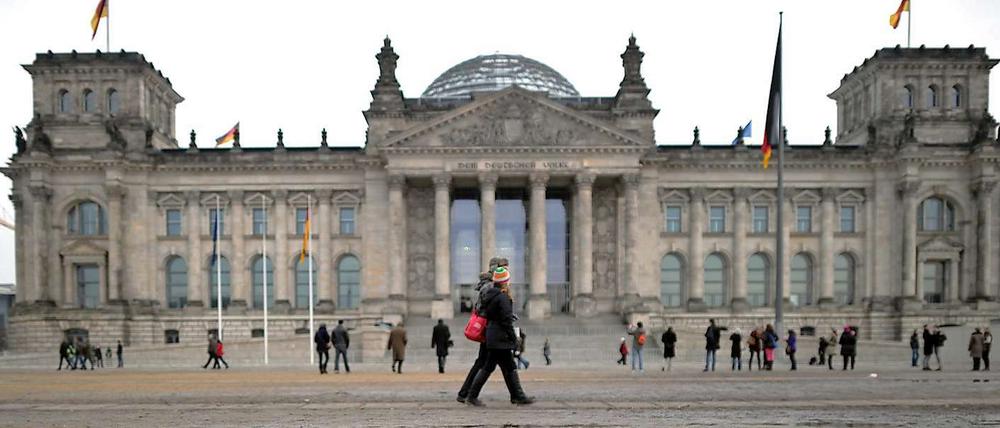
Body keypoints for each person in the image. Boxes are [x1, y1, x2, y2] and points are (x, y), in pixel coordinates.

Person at [464, 266, 534, 406]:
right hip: (500, 338)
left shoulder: (490, 295)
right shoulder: (502, 297)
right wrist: (514, 339)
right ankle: (472, 396)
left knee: (504, 366)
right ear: (504, 282)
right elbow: (506, 320)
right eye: (507, 280)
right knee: (499, 367)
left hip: (493, 335)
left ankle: (517, 396)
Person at [457, 257, 512, 403]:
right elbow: (489, 308)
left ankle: (466, 393)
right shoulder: (491, 287)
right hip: (491, 329)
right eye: (503, 267)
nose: (506, 269)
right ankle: (468, 394)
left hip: (492, 329)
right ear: (495, 268)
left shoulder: (490, 285)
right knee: (488, 364)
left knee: (490, 363)